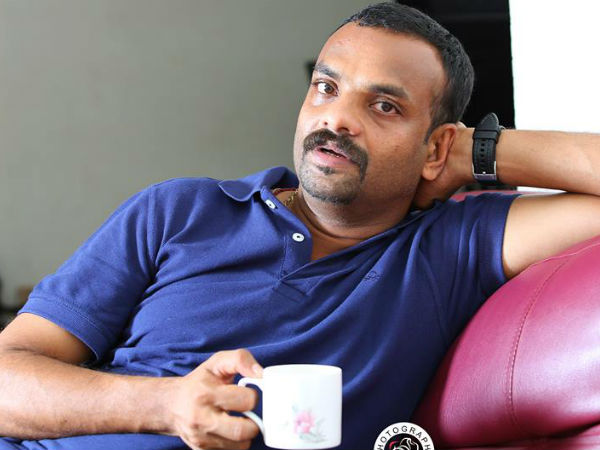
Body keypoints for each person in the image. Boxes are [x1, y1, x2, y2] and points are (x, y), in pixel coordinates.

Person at [1, 2, 599, 449]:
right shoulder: (177, 211)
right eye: (326, 87)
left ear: (435, 146)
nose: (337, 119)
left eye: (384, 106)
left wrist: (475, 152)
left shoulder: (450, 247)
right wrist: (165, 404)